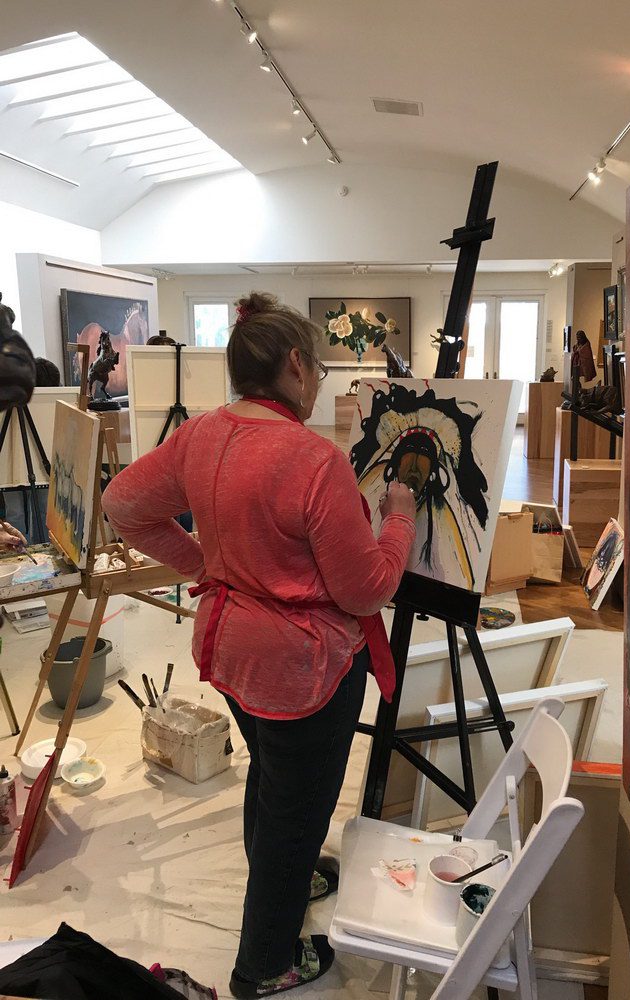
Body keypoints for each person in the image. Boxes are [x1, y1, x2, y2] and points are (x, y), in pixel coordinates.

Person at [102, 292, 416, 999]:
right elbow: (365, 590)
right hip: (303, 668)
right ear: (297, 365)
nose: (323, 388)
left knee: (275, 783)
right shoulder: (311, 459)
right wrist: (399, 521)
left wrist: (207, 567)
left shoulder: (202, 435)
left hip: (233, 652)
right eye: (320, 374)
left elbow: (122, 504)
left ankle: (289, 874)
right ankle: (264, 963)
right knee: (295, 807)